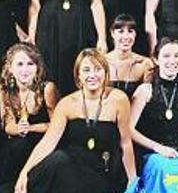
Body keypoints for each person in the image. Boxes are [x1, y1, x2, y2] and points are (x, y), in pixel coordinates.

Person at [14, 49, 137, 193]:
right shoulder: (67, 103)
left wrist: (132, 178)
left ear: (105, 73)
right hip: (72, 166)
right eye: (86, 70)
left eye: (98, 69)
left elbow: (126, 142)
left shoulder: (118, 99)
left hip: (104, 167)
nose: (92, 75)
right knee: (59, 161)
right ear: (78, 75)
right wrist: (25, 172)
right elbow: (48, 142)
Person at [0, 43, 59, 193]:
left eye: (30, 64)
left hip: (42, 143)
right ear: (10, 67)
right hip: (17, 145)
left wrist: (31, 128)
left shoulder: (47, 89)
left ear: (37, 67)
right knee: (14, 147)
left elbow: (57, 126)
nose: (25, 69)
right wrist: (18, 129)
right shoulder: (4, 88)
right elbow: (7, 125)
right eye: (20, 64)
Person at [129, 38, 178, 163]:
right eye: (166, 56)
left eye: (176, 56)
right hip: (154, 156)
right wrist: (158, 148)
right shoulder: (145, 90)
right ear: (156, 59)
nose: (172, 61)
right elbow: (130, 130)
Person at [106, 14, 154, 97]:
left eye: (130, 31)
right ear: (112, 33)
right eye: (121, 31)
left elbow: (149, 98)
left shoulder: (145, 63)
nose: (126, 37)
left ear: (135, 34)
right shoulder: (101, 61)